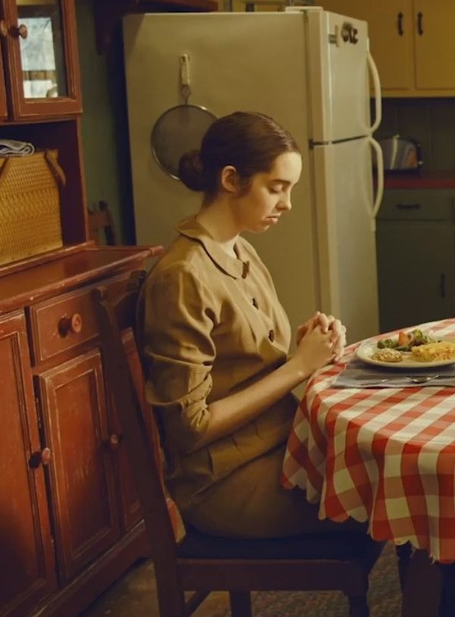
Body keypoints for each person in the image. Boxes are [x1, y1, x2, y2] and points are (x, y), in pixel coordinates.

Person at [140, 111, 353, 539]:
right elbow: (190, 428)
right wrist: (297, 368)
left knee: (388, 469)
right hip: (225, 481)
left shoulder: (240, 251)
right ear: (232, 179)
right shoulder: (182, 277)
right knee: (380, 489)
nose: (287, 204)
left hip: (277, 446)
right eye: (276, 188)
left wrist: (307, 347)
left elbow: (240, 364)